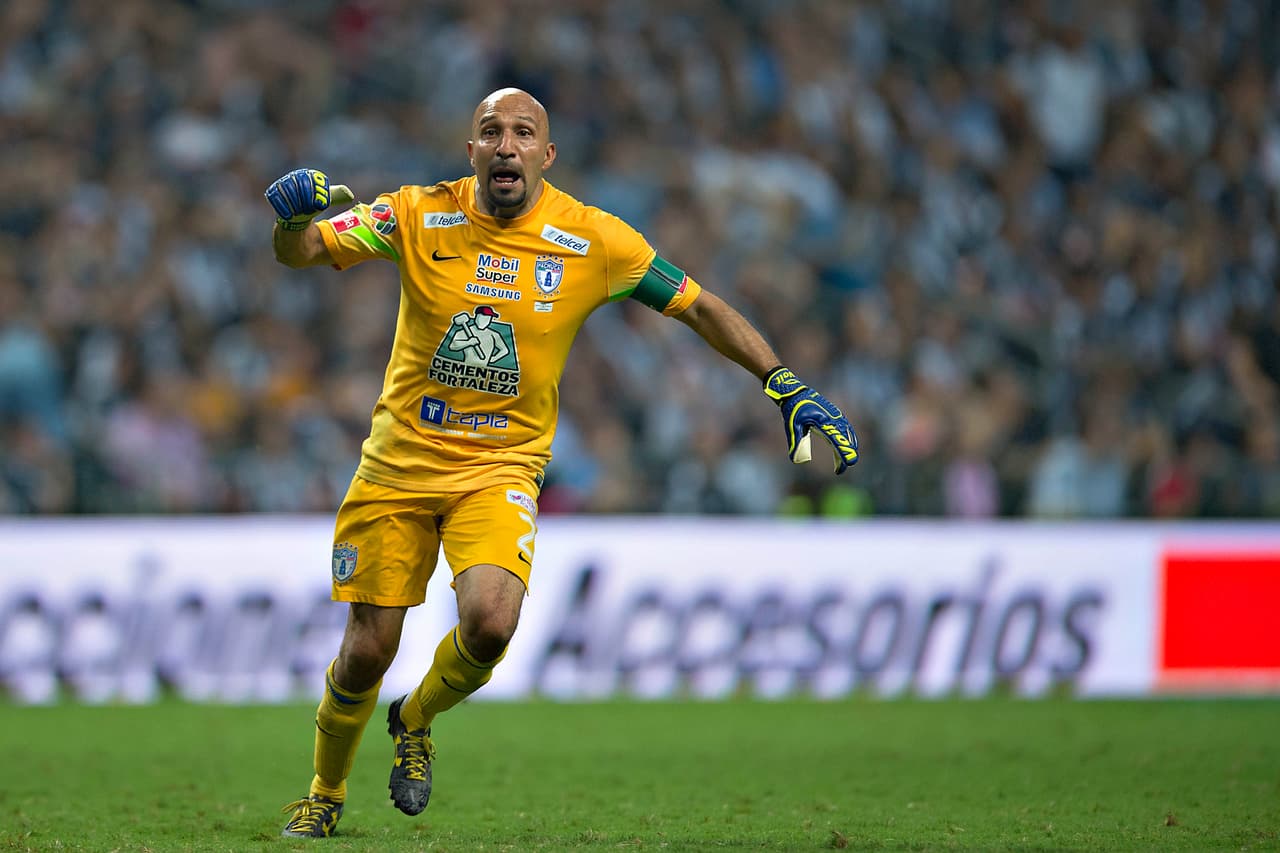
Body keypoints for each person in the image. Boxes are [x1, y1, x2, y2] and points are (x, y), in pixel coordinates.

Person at [265, 88, 859, 838]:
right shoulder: (415, 213)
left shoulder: (592, 240)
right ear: (471, 151)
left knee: (490, 623)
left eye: (522, 134)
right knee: (367, 648)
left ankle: (414, 719)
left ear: (547, 155)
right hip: (398, 466)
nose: (505, 145)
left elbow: (700, 304)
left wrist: (782, 381)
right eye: (490, 132)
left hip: (500, 467)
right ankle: (325, 790)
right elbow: (307, 252)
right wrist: (290, 220)